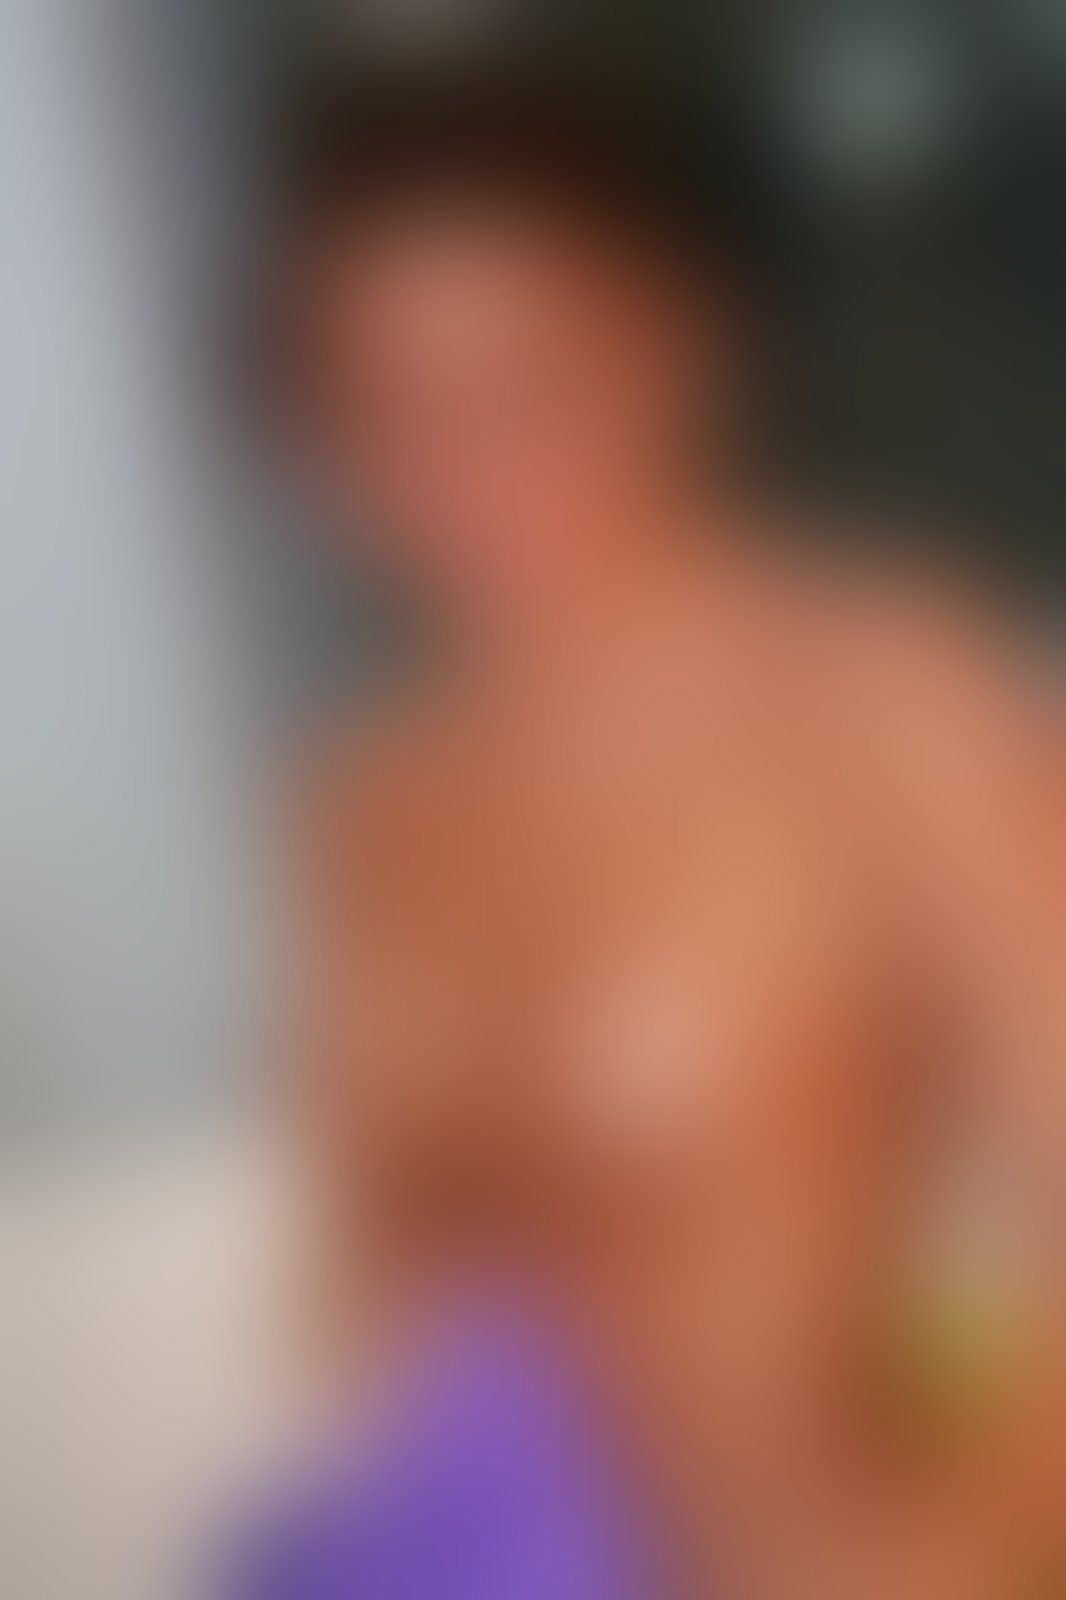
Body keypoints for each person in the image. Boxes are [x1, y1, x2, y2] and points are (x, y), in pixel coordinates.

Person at [249, 70, 1064, 1598]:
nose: (461, 460)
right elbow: (370, 1271)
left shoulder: (882, 701)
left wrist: (964, 1545)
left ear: (674, 347)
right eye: (383, 400)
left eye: (530, 376)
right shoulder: (365, 801)